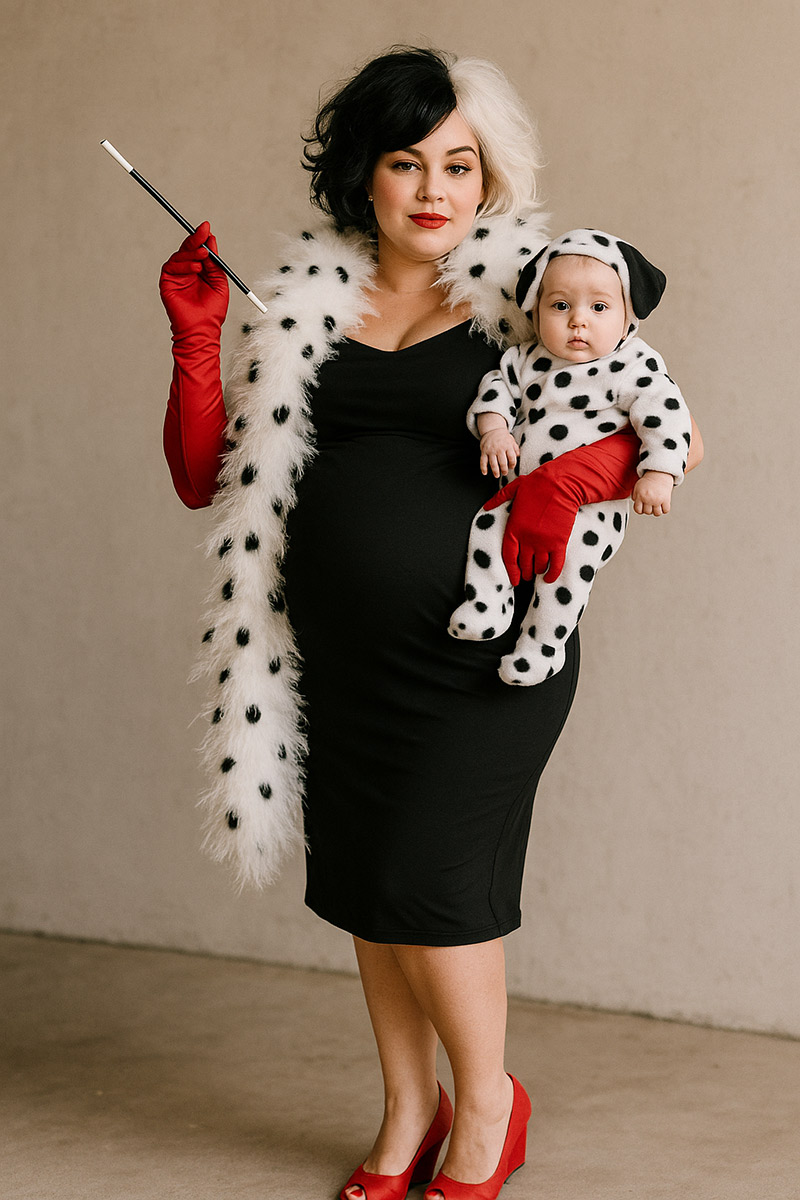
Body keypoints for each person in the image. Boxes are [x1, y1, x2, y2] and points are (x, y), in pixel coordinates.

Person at [159, 47, 703, 1200]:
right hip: (341, 666)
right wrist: (199, 336)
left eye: (459, 163)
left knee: (430, 884)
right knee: (368, 888)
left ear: (489, 176)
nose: (433, 188)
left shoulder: (528, 294)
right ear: (366, 175)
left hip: (485, 657)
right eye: (407, 162)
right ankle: (408, 1113)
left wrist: (569, 479)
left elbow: (672, 434)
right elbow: (204, 474)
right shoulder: (304, 307)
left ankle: (488, 1111)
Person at [449, 228, 692, 685]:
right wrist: (494, 430)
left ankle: (543, 646)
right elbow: (494, 393)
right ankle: (489, 604)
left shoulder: (634, 364)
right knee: (486, 526)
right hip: (518, 490)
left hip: (589, 509)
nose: (578, 321)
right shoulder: (524, 359)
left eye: (599, 308)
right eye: (560, 306)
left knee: (566, 567)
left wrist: (658, 473)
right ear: (536, 309)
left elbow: (667, 417)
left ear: (627, 315)